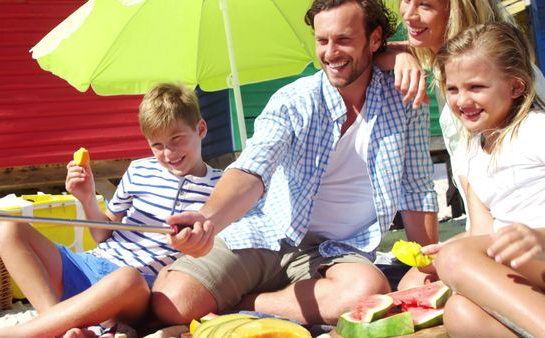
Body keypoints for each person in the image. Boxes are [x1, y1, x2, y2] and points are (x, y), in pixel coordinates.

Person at [151, 0, 439, 326]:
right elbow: (251, 170)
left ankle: (250, 302)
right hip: (270, 234)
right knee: (172, 303)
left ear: (374, 40)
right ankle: (283, 297)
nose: (331, 53)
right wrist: (208, 219)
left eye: (343, 39)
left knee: (367, 290)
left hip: (339, 251)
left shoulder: (404, 97)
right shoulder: (295, 100)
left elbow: (416, 188)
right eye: (322, 40)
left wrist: (426, 261)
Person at [0, 83, 222, 338]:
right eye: (157, 145)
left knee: (127, 277)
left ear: (200, 129)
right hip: (89, 265)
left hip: (137, 289)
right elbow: (104, 234)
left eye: (176, 139)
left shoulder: (223, 189)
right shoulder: (139, 170)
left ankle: (35, 331)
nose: (168, 153)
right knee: (8, 229)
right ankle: (58, 325)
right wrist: (86, 198)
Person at [395, 0, 545, 289]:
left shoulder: (531, 124)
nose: (408, 14)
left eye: (424, 4)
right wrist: (402, 54)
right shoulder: (478, 143)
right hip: (492, 243)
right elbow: (483, 220)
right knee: (415, 285)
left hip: (529, 249)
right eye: (404, 0)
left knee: (453, 263)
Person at [427, 22, 545, 337]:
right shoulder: (474, 157)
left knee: (455, 259)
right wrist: (441, 251)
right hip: (525, 275)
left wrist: (540, 237)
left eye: (476, 87)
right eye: (452, 89)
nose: (462, 100)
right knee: (460, 313)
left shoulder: (535, 131)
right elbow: (480, 233)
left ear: (516, 87)